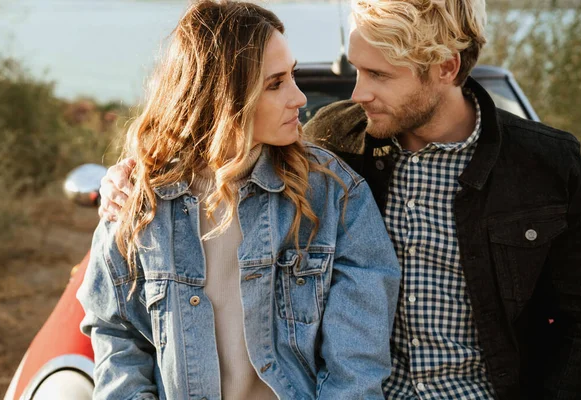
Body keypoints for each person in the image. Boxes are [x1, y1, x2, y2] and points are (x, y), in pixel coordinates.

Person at [99, 0, 581, 399]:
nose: (357, 93)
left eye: (378, 75)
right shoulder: (334, 142)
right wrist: (126, 177)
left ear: (446, 68)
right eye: (357, 70)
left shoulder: (546, 165)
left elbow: (576, 322)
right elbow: (223, 152)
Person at [77, 1, 401, 399]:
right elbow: (117, 334)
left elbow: (356, 367)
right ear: (223, 96)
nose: (299, 98)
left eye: (292, 76)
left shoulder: (333, 194)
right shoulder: (138, 201)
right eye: (275, 83)